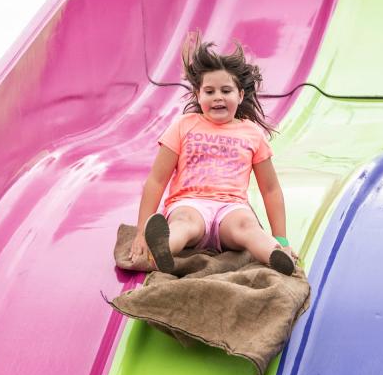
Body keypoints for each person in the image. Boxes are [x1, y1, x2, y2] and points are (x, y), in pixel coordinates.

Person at [123, 36, 298, 275]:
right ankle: (160, 250)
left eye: (226, 90)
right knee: (183, 223)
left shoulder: (251, 133)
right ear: (198, 95)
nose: (218, 96)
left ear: (240, 95)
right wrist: (142, 231)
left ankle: (276, 253)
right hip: (189, 203)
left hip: (231, 207)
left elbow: (270, 189)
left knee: (247, 226)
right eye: (209, 91)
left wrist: (283, 238)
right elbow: (156, 180)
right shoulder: (184, 126)